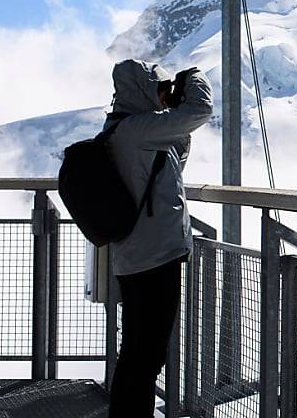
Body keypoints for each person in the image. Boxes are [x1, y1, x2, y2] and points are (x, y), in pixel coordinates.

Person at [104, 59, 213, 418]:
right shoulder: (138, 129)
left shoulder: (128, 129)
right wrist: (193, 79)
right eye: (159, 88)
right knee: (146, 355)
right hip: (153, 257)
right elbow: (201, 109)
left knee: (139, 352)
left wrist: (172, 112)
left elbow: (173, 159)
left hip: (142, 254)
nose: (165, 95)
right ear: (141, 89)